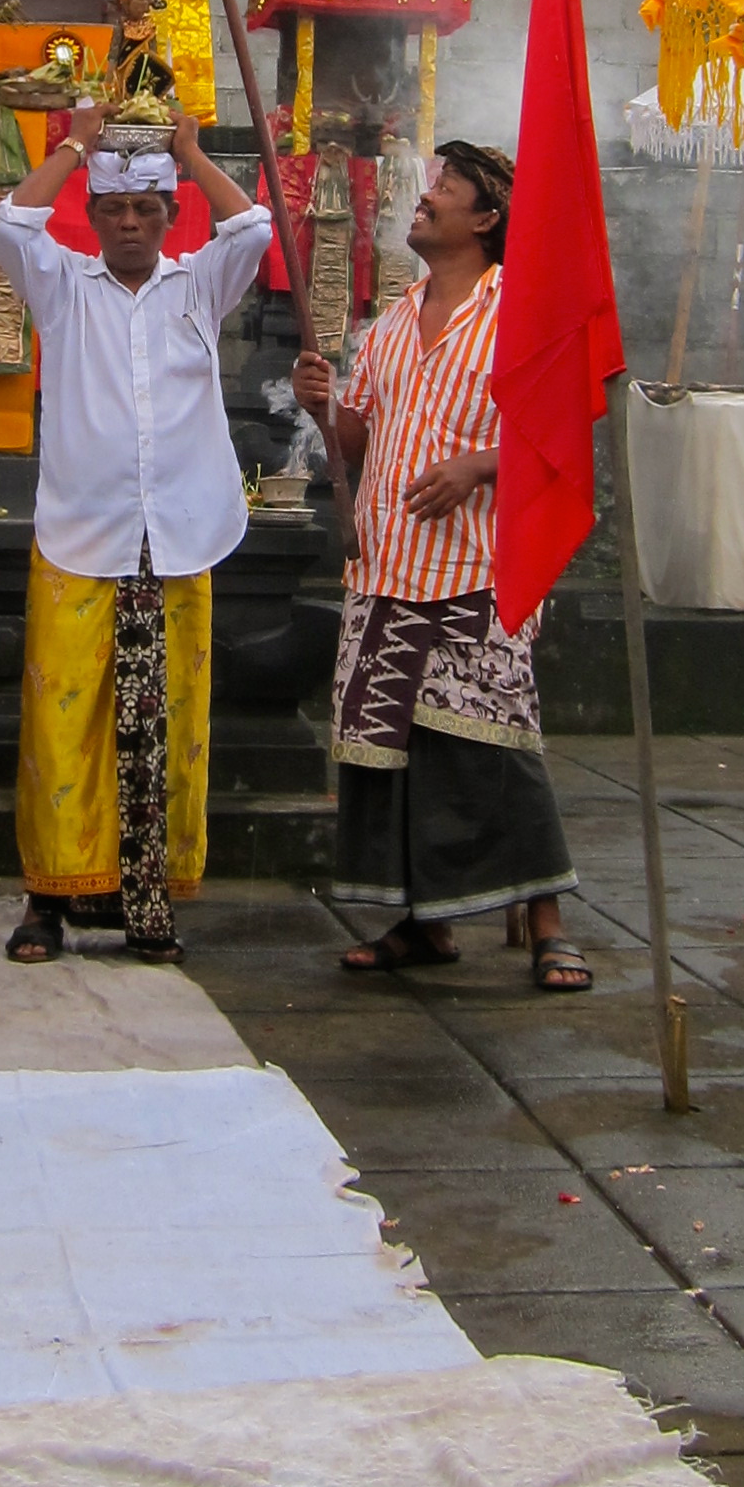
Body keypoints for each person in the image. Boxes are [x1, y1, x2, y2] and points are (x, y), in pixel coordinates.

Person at [292, 138, 590, 993]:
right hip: (385, 568)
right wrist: (323, 407)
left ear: (487, 218)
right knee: (385, 751)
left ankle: (548, 926)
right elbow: (356, 441)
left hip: (477, 571)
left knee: (495, 741)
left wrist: (479, 466)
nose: (424, 198)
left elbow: (567, 428)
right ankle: (420, 926)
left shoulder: (521, 312)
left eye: (446, 188)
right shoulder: (391, 322)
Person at [0, 104, 272, 961]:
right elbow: (10, 225)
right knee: (61, 720)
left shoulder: (199, 285)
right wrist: (76, 144)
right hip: (83, 533)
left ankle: (150, 899)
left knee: (168, 723)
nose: (130, 224)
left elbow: (254, 228)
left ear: (171, 214)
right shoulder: (62, 285)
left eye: (147, 209)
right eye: (113, 209)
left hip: (178, 533)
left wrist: (190, 153)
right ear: (92, 214)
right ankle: (47, 899)